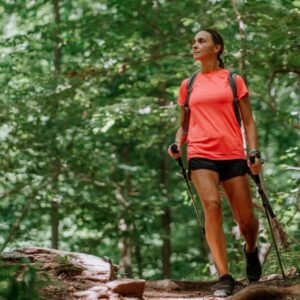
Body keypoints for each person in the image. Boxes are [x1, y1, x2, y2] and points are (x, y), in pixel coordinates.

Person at [168, 29, 262, 297]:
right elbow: (182, 126)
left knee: (246, 221)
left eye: (201, 41)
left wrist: (253, 151)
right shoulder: (189, 85)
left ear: (217, 48)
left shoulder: (233, 80)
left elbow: (249, 121)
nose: (195, 45)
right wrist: (177, 144)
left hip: (232, 154)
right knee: (211, 205)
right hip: (200, 154)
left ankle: (251, 249)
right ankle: (224, 275)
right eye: (194, 42)